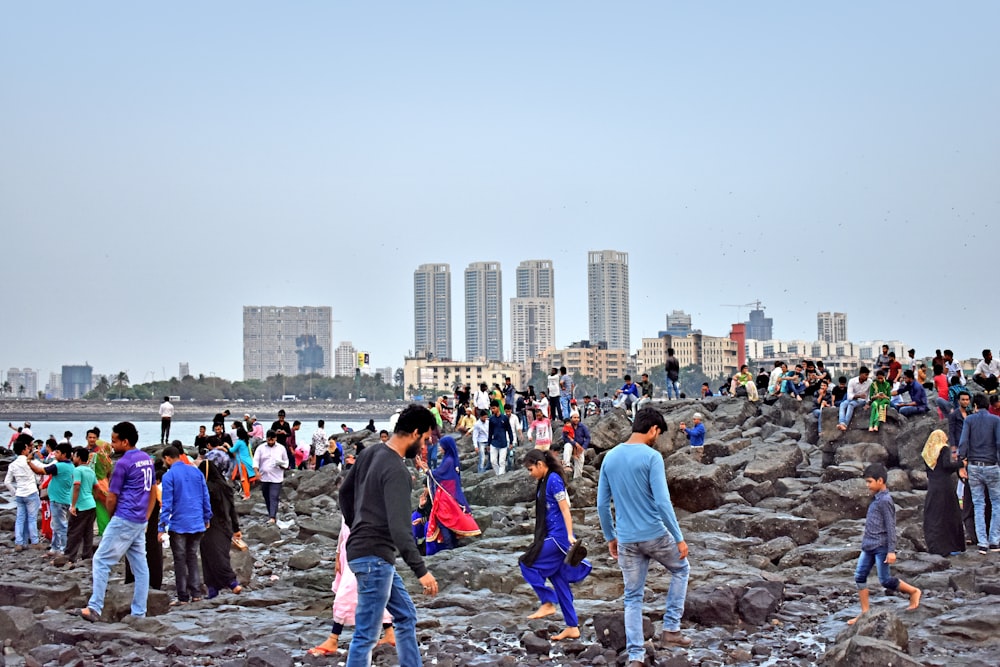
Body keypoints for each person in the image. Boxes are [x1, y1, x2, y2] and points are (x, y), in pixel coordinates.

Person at [337, 404, 439, 667]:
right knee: (367, 634)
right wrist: (421, 571)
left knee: (405, 615)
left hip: (369, 553)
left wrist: (356, 524)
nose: (425, 446)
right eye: (426, 439)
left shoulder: (370, 453)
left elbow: (344, 494)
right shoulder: (396, 470)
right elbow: (401, 530)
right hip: (374, 558)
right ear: (415, 433)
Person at [597, 409, 692, 665]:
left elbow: (602, 505)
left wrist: (610, 536)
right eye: (658, 434)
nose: (656, 439)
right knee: (681, 569)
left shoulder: (610, 457)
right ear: (652, 429)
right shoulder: (652, 457)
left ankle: (636, 657)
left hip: (626, 539)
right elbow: (662, 502)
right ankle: (671, 629)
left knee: (632, 596)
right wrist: (679, 537)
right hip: (655, 534)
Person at [77, 422, 156, 622]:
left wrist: (113, 516)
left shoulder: (123, 463)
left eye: (114, 441)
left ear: (125, 441)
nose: (111, 445)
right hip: (138, 519)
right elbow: (153, 491)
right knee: (140, 566)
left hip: (124, 517)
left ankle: (95, 607)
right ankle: (139, 612)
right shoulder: (147, 459)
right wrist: (146, 516)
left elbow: (112, 497)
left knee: (101, 560)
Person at [519, 449, 592, 642]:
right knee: (559, 581)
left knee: (526, 563)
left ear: (540, 465)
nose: (530, 473)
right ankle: (572, 626)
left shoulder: (553, 480)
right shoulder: (544, 481)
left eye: (530, 469)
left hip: (559, 538)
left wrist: (569, 534)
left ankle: (547, 601)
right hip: (552, 535)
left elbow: (565, 509)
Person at [308, 519, 395, 657]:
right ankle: (390, 632)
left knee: (345, 594)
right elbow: (344, 528)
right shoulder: (350, 498)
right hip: (349, 550)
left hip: (362, 550)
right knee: (373, 592)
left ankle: (333, 639)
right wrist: (338, 555)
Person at [848, 463, 921, 624]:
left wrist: (891, 550)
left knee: (885, 580)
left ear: (880, 480)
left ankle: (914, 591)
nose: (867, 485)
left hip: (881, 546)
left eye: (869, 482)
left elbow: (890, 526)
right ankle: (865, 612)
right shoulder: (876, 499)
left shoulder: (885, 501)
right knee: (859, 576)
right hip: (868, 546)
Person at [158, 445, 212, 605]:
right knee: (192, 557)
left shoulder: (169, 476)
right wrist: (207, 516)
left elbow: (167, 504)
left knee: (180, 560)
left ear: (168, 458)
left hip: (179, 524)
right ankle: (195, 593)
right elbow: (205, 496)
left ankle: (183, 596)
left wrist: (161, 527)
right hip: (197, 521)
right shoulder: (196, 471)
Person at [418, 436, 480, 554]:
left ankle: (449, 549)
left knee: (443, 521)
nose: (440, 448)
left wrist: (425, 470)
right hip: (449, 494)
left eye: (441, 446)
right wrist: (428, 469)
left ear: (446, 447)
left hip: (446, 497)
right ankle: (452, 547)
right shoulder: (451, 459)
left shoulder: (448, 461)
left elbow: (438, 475)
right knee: (448, 522)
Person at [958, 393, 1000, 553]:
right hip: (992, 466)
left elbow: (963, 442)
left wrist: (962, 461)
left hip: (974, 466)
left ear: (974, 406)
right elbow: (999, 443)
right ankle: (994, 541)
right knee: (996, 503)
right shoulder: (996, 420)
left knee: (978, 504)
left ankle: (982, 542)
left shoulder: (969, 420)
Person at [199, 459, 244, 599]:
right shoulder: (226, 487)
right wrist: (236, 529)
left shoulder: (206, 487)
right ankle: (215, 588)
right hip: (226, 526)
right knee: (221, 555)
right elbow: (232, 509)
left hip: (209, 525)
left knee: (210, 557)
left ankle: (231, 583)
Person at [921, 430, 966, 556]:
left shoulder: (927, 452)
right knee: (950, 516)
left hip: (933, 488)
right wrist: (961, 464)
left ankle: (936, 547)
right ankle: (952, 546)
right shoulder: (943, 448)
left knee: (934, 517)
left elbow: (935, 471)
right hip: (945, 488)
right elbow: (946, 466)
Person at [36, 442, 75, 557]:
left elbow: (40, 470)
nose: (55, 454)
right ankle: (54, 548)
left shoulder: (59, 466)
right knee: (56, 524)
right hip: (63, 499)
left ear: (64, 454)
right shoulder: (71, 466)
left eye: (57, 452)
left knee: (61, 525)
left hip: (58, 500)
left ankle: (63, 549)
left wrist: (28, 462)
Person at [5, 436, 43, 551]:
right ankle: (35, 541)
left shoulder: (12, 465)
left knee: (20, 518)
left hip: (20, 494)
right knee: (32, 518)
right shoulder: (30, 462)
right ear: (24, 450)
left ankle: (19, 542)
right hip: (31, 492)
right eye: (27, 449)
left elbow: (7, 482)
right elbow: (42, 470)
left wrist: (14, 492)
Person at [253, 430, 289, 524]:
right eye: (269, 440)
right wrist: (256, 472)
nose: (270, 442)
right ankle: (271, 514)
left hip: (276, 477)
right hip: (264, 477)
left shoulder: (281, 448)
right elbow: (256, 460)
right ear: (266, 438)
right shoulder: (260, 448)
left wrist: (283, 465)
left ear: (275, 438)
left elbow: (286, 460)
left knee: (274, 496)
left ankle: (272, 517)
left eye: (272, 440)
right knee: (267, 497)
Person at [488, 401, 516, 475]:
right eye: (491, 409)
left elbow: (509, 430)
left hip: (503, 443)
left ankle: (501, 476)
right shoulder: (491, 419)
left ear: (498, 408)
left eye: (494, 408)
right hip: (494, 443)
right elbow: (490, 432)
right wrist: (488, 444)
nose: (492, 410)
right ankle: (498, 475)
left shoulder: (505, 418)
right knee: (493, 461)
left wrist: (511, 442)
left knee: (502, 462)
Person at [229, 427, 257, 500]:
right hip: (249, 461)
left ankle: (247, 495)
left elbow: (232, 450)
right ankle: (246, 493)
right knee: (246, 478)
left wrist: (226, 446)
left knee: (243, 479)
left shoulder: (239, 442)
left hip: (242, 462)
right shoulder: (247, 441)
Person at [563, 413, 590, 480]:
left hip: (580, 446)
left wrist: (583, 447)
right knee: (567, 446)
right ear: (571, 418)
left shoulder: (582, 427)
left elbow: (588, 437)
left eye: (578, 418)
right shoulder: (568, 426)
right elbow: (565, 437)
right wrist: (574, 443)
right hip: (571, 444)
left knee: (580, 460)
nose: (576, 419)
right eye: (574, 417)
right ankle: (566, 464)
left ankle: (577, 478)